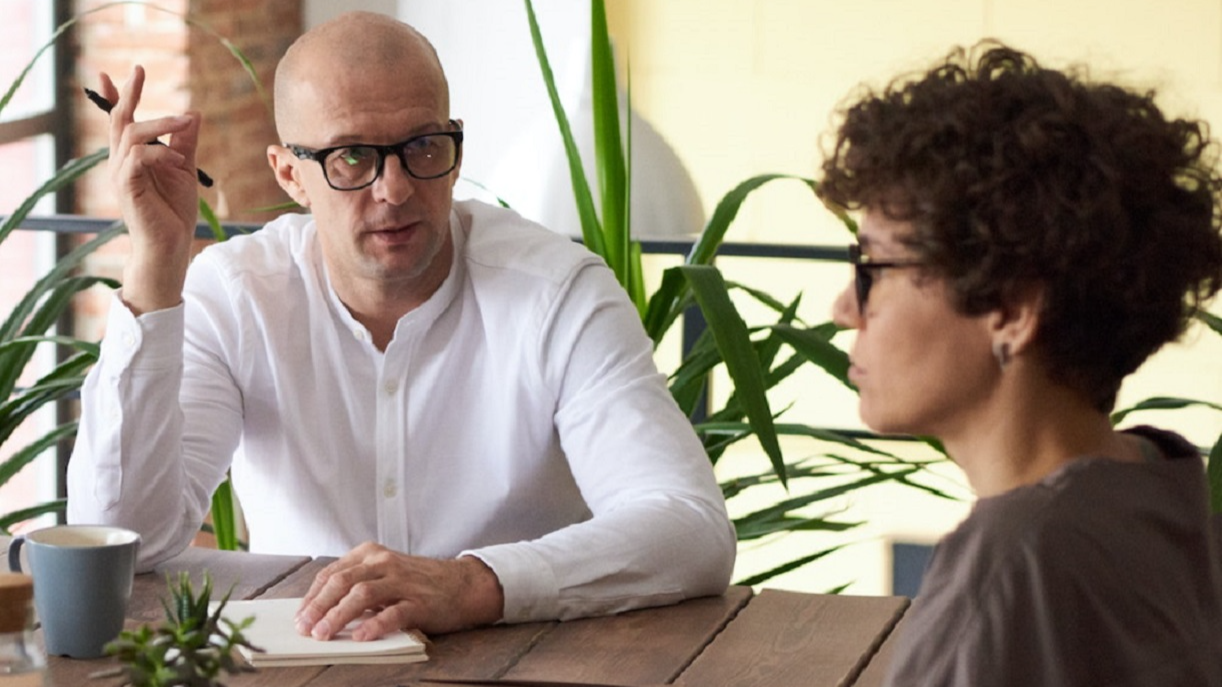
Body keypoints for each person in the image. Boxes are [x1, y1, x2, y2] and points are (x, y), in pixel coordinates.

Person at [66, 11, 735, 641]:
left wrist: (472, 584)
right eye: (352, 156)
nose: (395, 189)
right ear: (290, 174)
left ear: (455, 145)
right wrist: (154, 267)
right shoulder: (238, 295)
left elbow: (689, 527)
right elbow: (119, 540)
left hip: (527, 662)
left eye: (421, 146)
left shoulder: (556, 293)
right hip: (308, 664)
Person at [818, 41, 1222, 686]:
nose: (845, 309)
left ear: (1010, 309)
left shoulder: (1011, 565)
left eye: (873, 269)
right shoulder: (1165, 488)